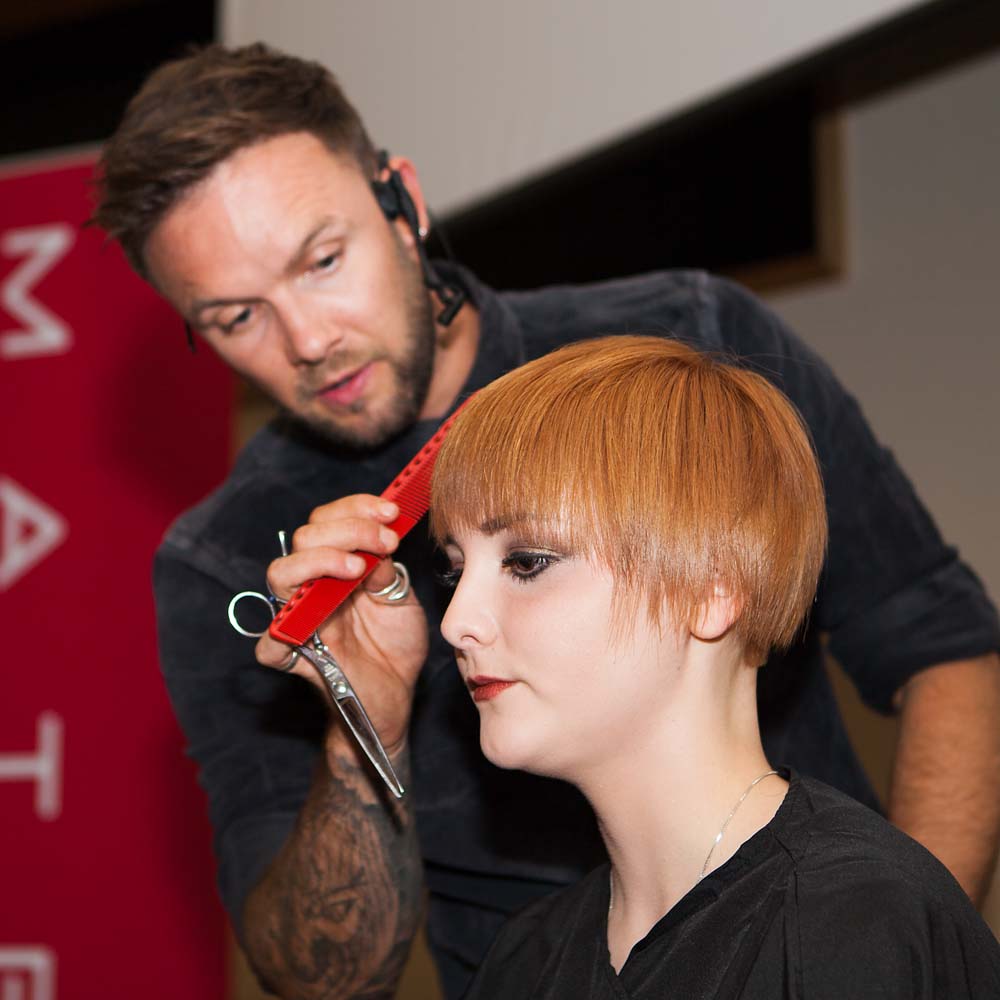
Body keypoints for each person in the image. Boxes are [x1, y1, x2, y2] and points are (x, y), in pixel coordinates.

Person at [91, 42, 1000, 1000]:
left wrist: (897, 942)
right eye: (236, 317)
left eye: (323, 260)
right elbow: (322, 979)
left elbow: (940, 645)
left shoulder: (688, 345)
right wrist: (364, 723)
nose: (309, 340)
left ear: (402, 201)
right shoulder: (227, 558)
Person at [428, 334, 1000, 998]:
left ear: (712, 589)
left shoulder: (855, 929)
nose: (456, 622)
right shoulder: (523, 962)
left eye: (527, 562)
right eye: (455, 570)